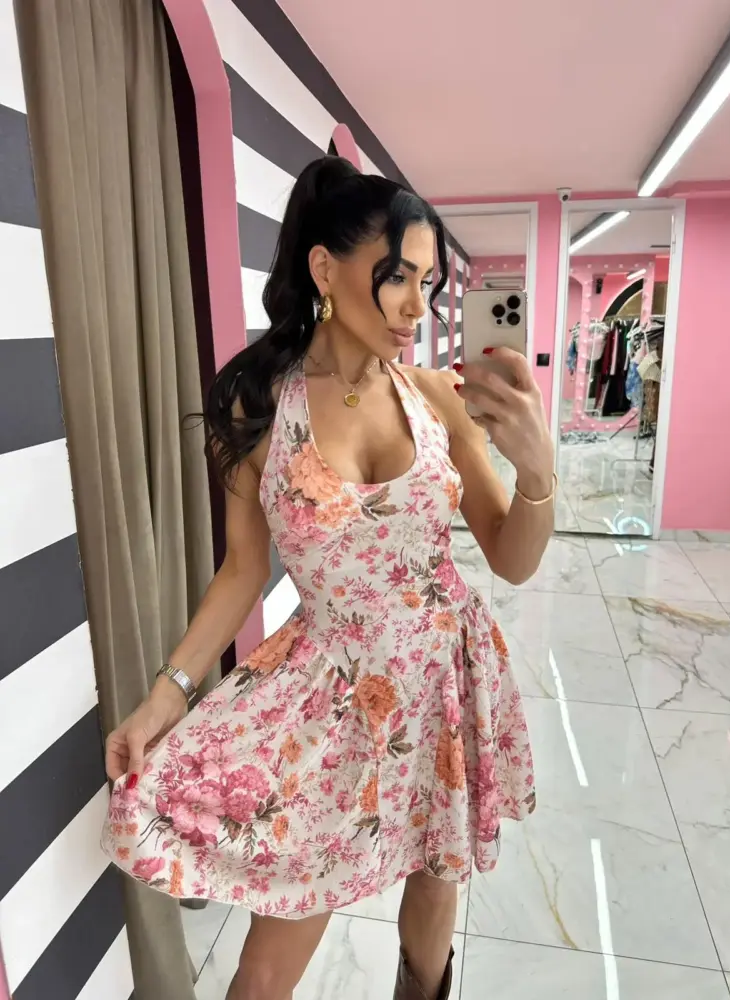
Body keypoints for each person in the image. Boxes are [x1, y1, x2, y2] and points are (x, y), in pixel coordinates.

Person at [101, 156, 554, 1000]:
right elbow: (243, 571)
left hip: (443, 677)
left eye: (427, 282)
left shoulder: (436, 396)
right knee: (265, 974)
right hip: (332, 699)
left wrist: (536, 473)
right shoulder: (259, 407)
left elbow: (514, 558)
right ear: (324, 268)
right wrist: (167, 695)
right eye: (397, 277)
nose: (417, 306)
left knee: (435, 889)